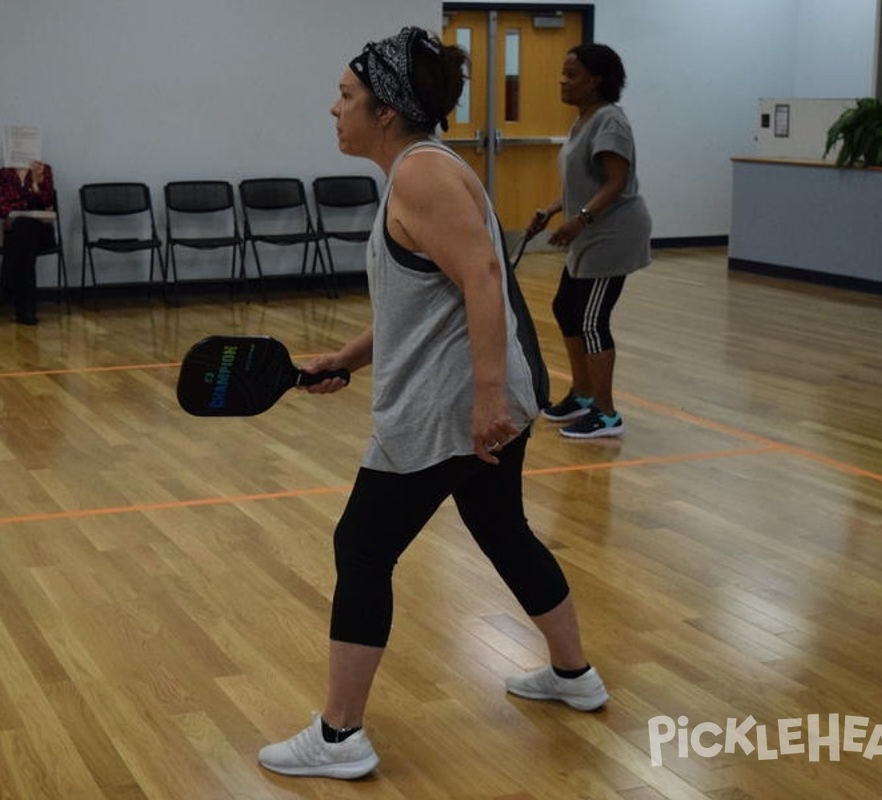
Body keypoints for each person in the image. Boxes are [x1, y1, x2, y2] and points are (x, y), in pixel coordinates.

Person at [256, 27, 607, 781]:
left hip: (453, 406)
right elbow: (428, 300)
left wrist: (485, 402)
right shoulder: (418, 172)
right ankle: (575, 676)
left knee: (362, 547)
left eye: (347, 97)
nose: (334, 108)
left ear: (386, 112)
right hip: (474, 396)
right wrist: (345, 358)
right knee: (501, 527)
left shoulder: (422, 176)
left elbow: (483, 278)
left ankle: (340, 734)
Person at [526, 44, 652, 439]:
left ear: (597, 80)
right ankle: (582, 394)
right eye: (563, 73)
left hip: (611, 235)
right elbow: (586, 184)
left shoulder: (610, 122)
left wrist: (580, 220)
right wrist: (551, 210)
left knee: (592, 320)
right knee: (566, 308)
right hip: (590, 231)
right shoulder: (584, 120)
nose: (563, 81)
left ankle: (606, 412)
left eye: (572, 74)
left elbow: (616, 181)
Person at [0, 160, 56, 324]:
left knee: (23, 229)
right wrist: (27, 205)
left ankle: (5, 287)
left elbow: (47, 203)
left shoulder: (44, 170)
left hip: (41, 233)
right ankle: (27, 313)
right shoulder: (4, 173)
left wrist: (36, 183)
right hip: (16, 232)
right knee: (25, 250)